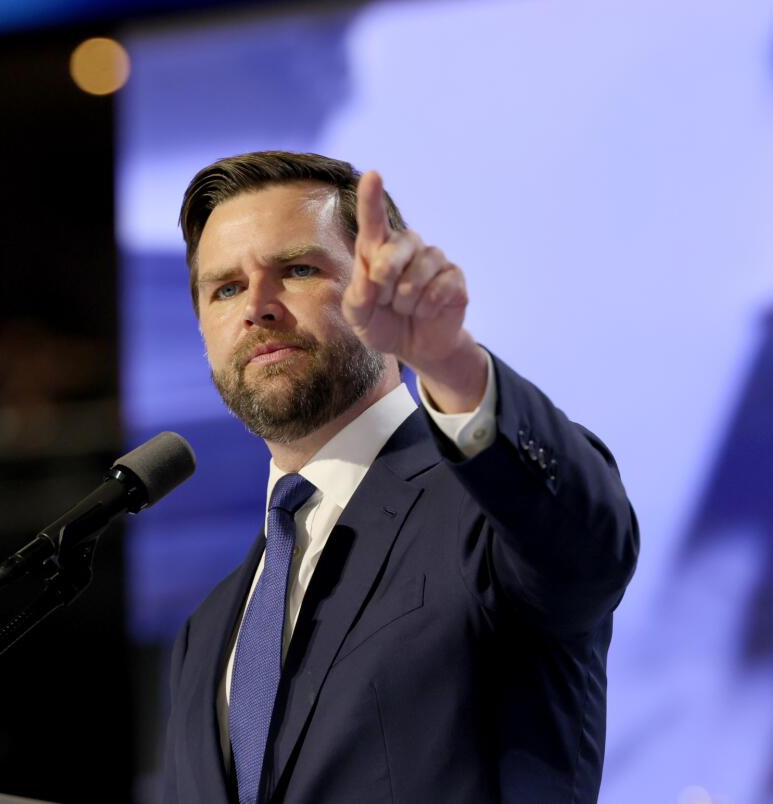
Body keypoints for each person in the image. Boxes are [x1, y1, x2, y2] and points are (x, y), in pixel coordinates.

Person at [158, 151, 638, 804]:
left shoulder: (481, 511)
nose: (257, 308)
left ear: (379, 284)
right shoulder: (204, 635)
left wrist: (449, 361)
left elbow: (589, 548)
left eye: (297, 269)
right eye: (226, 288)